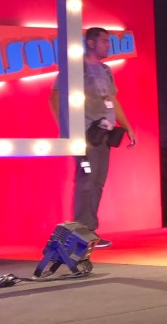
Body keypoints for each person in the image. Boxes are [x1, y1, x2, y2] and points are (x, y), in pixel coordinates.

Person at [49, 27, 137, 248]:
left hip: (103, 134)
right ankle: (79, 234)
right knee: (86, 182)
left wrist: (127, 127)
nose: (108, 45)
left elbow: (113, 101)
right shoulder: (75, 68)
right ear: (90, 43)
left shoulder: (106, 70)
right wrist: (66, 128)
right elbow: (54, 96)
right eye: (104, 41)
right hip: (85, 135)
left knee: (97, 182)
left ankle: (88, 231)